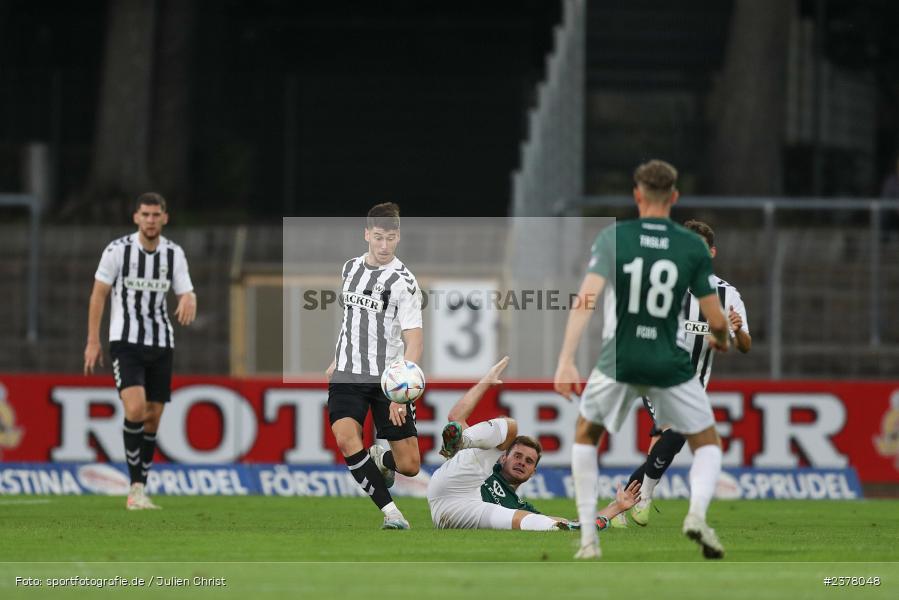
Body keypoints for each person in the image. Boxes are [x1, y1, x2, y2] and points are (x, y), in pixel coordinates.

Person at [553, 160, 730, 560]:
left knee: (586, 437)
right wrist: (719, 338)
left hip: (620, 357)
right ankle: (697, 516)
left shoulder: (614, 237)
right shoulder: (690, 247)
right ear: (674, 197)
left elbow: (586, 300)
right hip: (669, 361)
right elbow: (715, 317)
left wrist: (566, 359)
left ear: (636, 195)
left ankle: (588, 541)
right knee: (708, 444)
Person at [621, 219, 752, 528]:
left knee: (668, 442)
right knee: (679, 429)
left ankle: (623, 502)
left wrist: (733, 330)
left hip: (694, 385)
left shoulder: (727, 295)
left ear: (712, 253)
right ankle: (647, 496)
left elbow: (745, 344)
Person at [429, 357, 641, 531]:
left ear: (533, 472)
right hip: (454, 484)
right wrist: (485, 383)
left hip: (459, 515)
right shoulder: (488, 465)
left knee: (544, 524)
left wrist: (617, 507)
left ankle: (461, 442)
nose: (522, 462)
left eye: (529, 461)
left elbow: (566, 521)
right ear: (504, 457)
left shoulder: (518, 505)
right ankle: (460, 442)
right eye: (518, 456)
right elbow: (456, 417)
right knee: (510, 427)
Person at [83, 193, 197, 510]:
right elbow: (98, 295)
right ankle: (134, 489)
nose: (150, 220)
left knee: (152, 418)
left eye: (155, 214)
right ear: (136, 217)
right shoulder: (117, 251)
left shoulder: (174, 254)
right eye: (144, 214)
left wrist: (190, 298)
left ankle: (140, 487)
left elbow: (186, 290)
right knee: (135, 409)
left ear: (165, 218)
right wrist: (93, 340)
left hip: (161, 343)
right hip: (126, 342)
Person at [325, 202, 423, 530]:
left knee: (409, 465)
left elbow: (415, 341)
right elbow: (352, 320)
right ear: (366, 234)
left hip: (388, 380)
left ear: (398, 238)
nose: (383, 245)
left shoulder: (404, 282)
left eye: (390, 238)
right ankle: (392, 513)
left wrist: (400, 394)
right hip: (348, 374)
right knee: (345, 437)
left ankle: (383, 458)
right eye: (378, 237)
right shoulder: (349, 268)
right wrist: (338, 357)